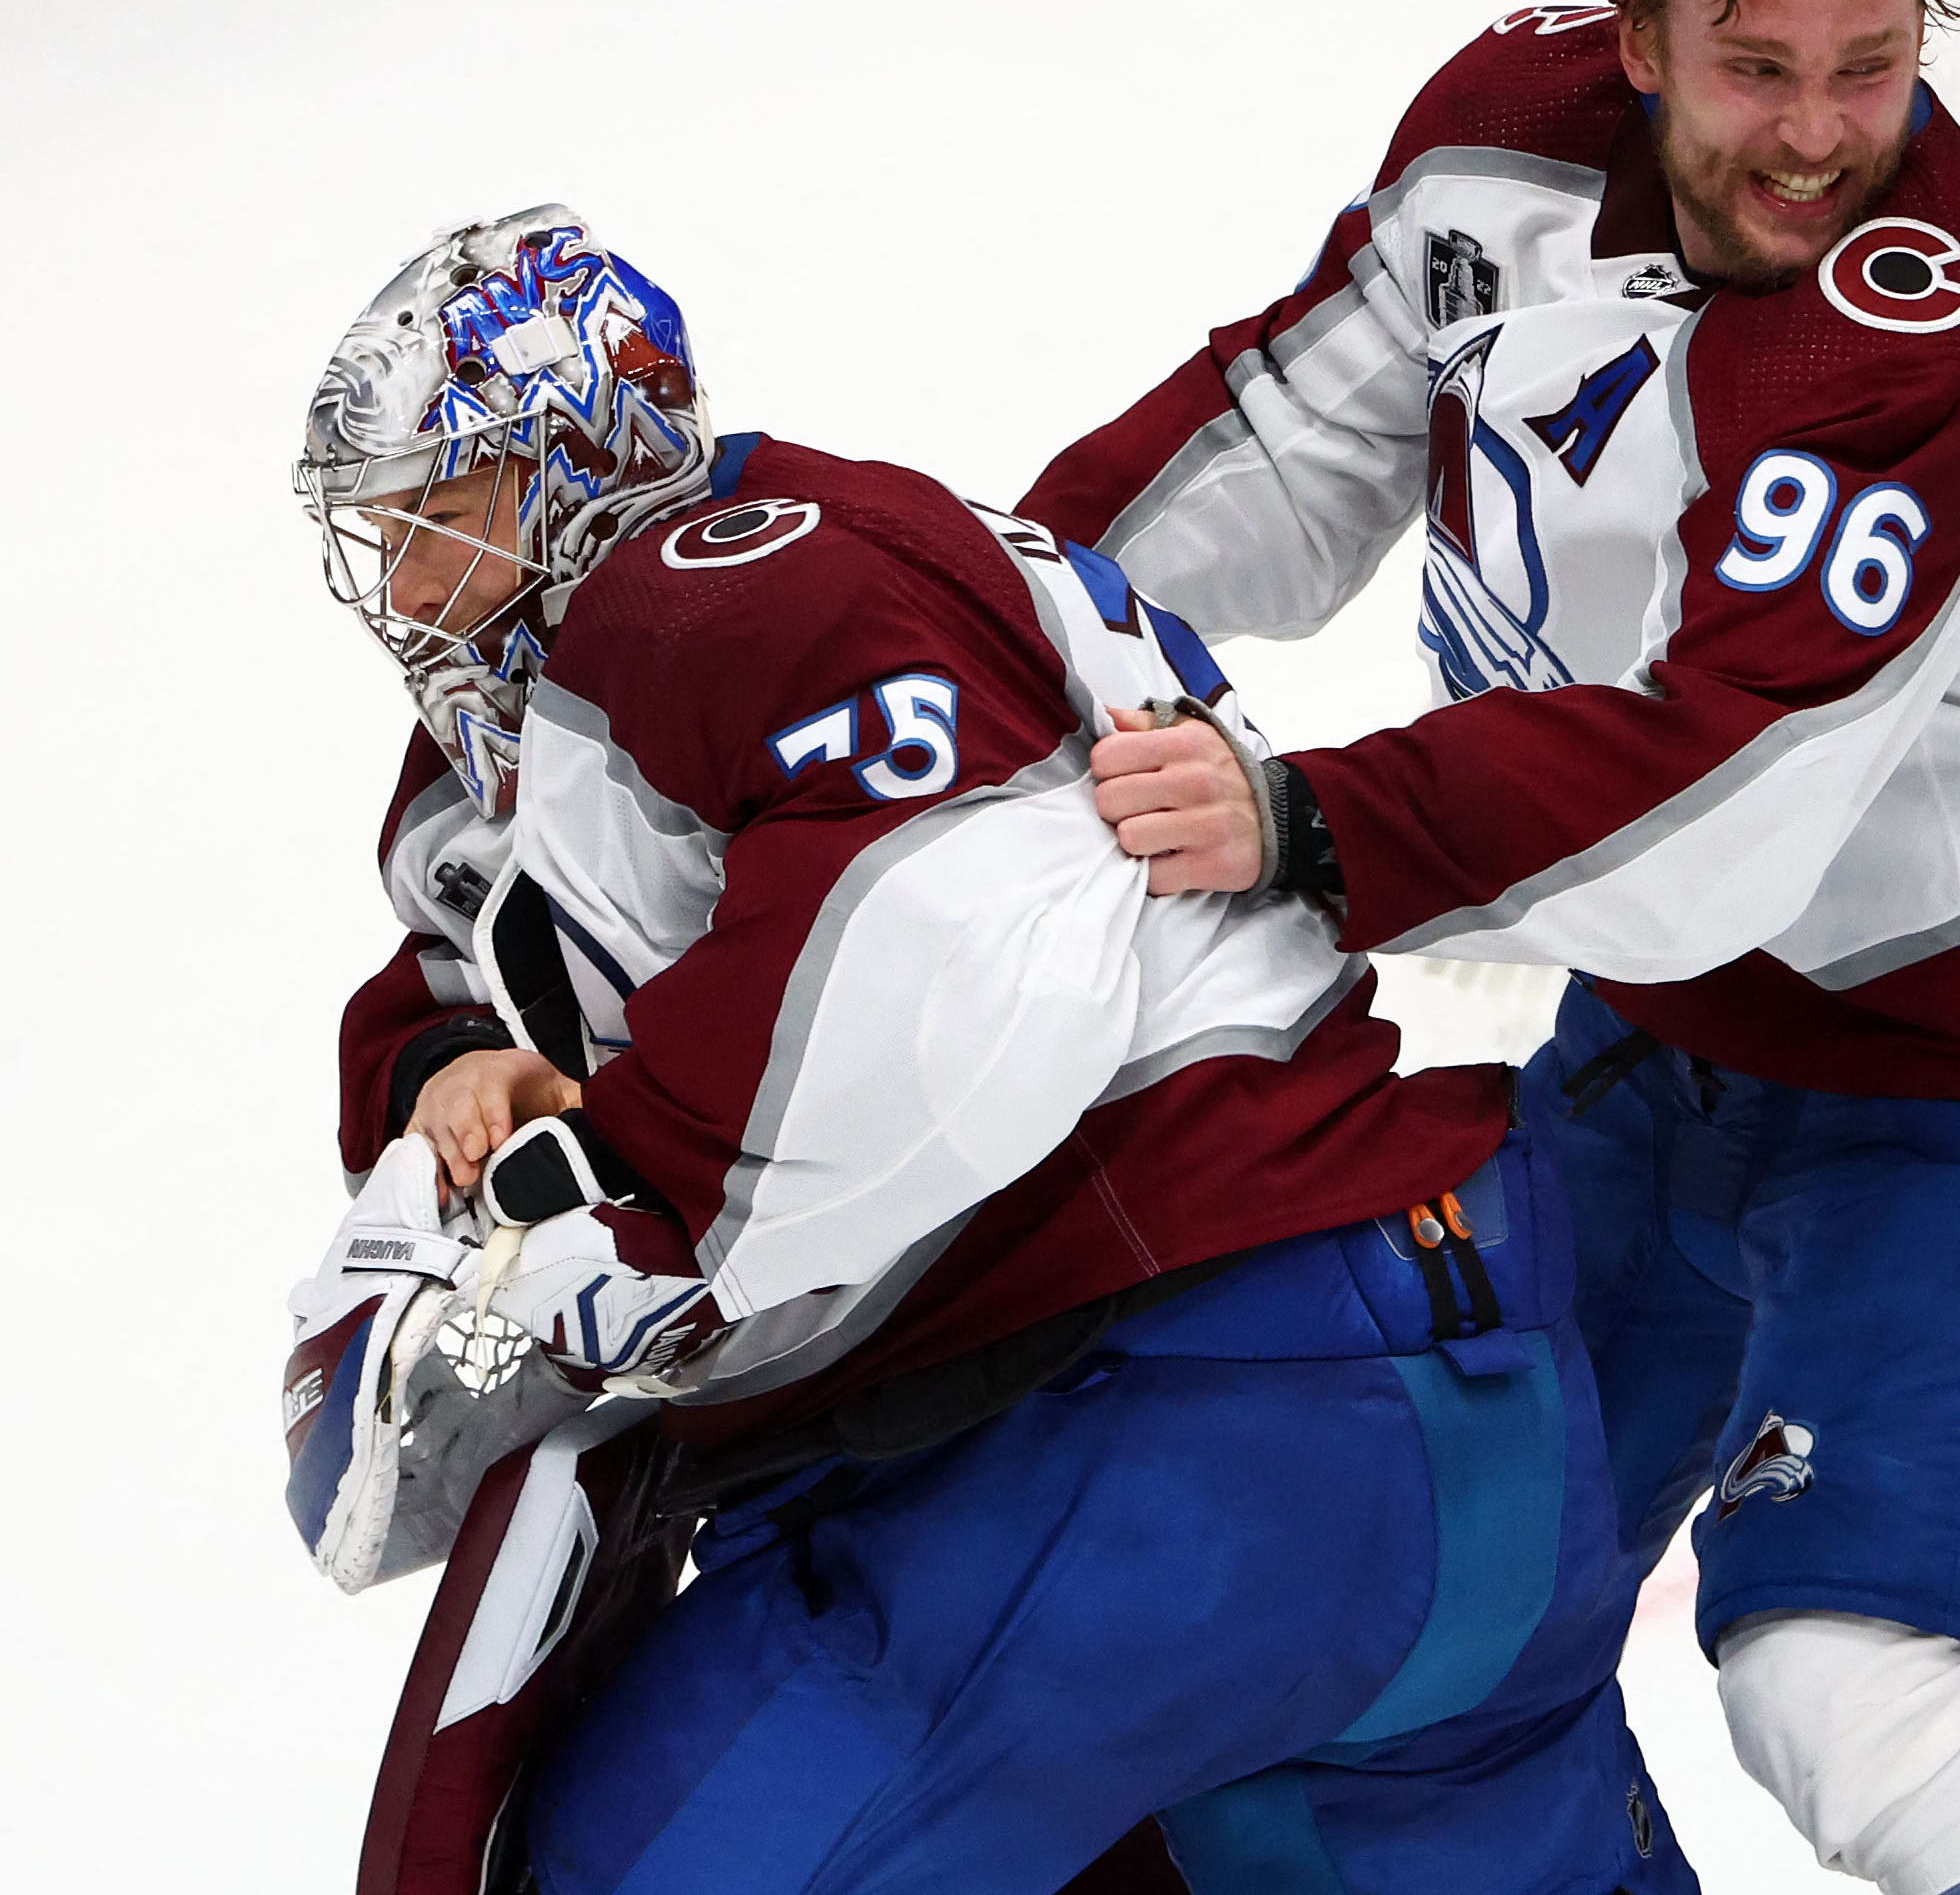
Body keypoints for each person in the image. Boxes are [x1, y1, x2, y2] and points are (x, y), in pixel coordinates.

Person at [1019, 0, 1960, 1895]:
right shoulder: (1501, 146)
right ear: (1633, 39)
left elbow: (1733, 795)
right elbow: (1296, 440)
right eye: (1760, 66)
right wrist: (1000, 640)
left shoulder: (1922, 321)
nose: (1824, 137)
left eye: (1874, 68)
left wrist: (1310, 823)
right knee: (1398, 1577)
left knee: (1856, 1681)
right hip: (1691, 1035)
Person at [280, 208, 1683, 1894]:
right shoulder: (560, 709)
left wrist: (608, 1246)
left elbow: (932, 933)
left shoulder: (723, 585)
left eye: (445, 518)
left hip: (1184, 1422)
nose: (409, 584)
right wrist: (445, 1064)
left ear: (584, 448)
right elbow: (459, 954)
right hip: (1444, 1402)